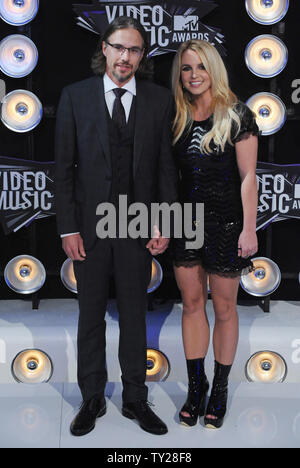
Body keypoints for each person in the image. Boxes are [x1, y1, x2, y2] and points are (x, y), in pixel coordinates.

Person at [55, 16, 178, 437]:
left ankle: (134, 399)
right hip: (89, 229)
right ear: (104, 49)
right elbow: (64, 169)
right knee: (89, 314)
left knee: (134, 314)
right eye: (119, 47)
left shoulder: (160, 100)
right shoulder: (75, 97)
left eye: (135, 50)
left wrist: (164, 221)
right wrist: (67, 227)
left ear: (142, 57)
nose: (126, 57)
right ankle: (91, 398)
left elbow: (166, 169)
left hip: (138, 226)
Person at [171, 40, 259, 429]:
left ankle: (220, 389)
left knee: (224, 309)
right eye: (187, 68)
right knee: (192, 305)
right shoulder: (175, 115)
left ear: (214, 70)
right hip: (184, 222)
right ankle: (196, 386)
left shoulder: (237, 114)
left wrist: (249, 228)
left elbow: (248, 177)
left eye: (201, 67)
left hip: (226, 224)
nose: (193, 75)